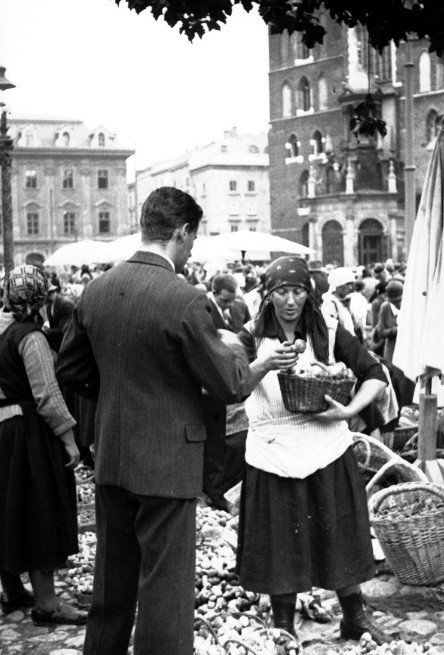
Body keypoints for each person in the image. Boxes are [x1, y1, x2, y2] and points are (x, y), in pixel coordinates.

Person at [56, 186, 252, 655]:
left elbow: (71, 370)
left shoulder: (97, 290)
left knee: (112, 585)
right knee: (165, 594)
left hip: (114, 455)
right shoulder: (185, 299)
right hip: (167, 463)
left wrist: (117, 400)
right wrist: (249, 364)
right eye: (192, 240)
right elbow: (229, 385)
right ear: (181, 233)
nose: (191, 251)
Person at [235, 256, 389, 645]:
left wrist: (351, 410)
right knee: (279, 540)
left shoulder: (330, 332)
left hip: (325, 444)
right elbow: (231, 387)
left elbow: (374, 374)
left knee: (336, 534)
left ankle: (354, 616)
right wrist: (262, 364)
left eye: (298, 291)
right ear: (267, 296)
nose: (290, 300)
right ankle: (284, 625)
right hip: (272, 448)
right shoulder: (250, 338)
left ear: (310, 293)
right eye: (281, 292)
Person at [0, 265, 86, 625]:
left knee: (11, 511)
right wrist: (70, 441)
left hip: (6, 431)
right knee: (40, 514)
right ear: (41, 298)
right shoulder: (32, 338)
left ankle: (13, 592)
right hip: (30, 433)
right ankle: (48, 606)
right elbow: (47, 396)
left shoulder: (4, 334)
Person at [377, 280, 403, 364]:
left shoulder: (409, 306)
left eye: (400, 301)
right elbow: (381, 332)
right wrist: (398, 330)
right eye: (394, 302)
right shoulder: (385, 308)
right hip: (392, 351)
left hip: (407, 351)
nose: (398, 304)